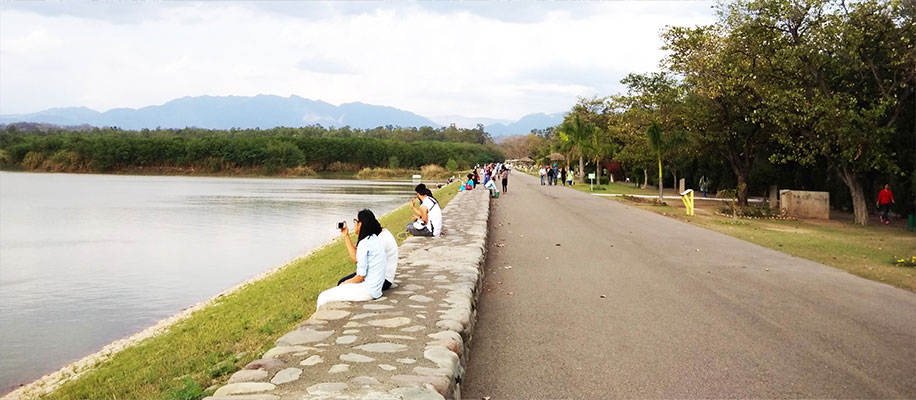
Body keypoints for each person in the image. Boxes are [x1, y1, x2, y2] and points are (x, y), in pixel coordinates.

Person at [316, 209, 387, 310]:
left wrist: (344, 284)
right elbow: (357, 258)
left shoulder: (364, 243)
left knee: (323, 297)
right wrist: (346, 235)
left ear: (361, 224)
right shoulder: (374, 239)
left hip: (368, 290)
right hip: (375, 289)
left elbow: (360, 277)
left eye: (356, 221)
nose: (355, 225)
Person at [338, 224, 398, 291]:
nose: (355, 224)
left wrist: (346, 236)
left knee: (342, 286)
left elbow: (356, 260)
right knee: (343, 282)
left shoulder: (379, 240)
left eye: (356, 221)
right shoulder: (379, 235)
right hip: (379, 275)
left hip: (383, 280)